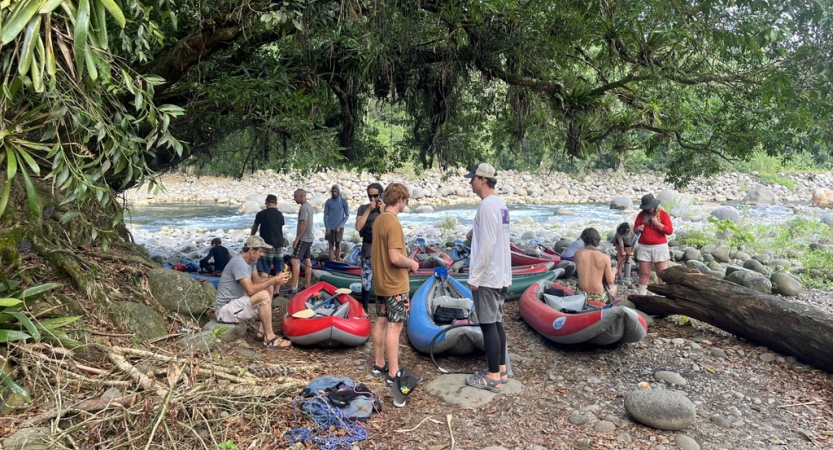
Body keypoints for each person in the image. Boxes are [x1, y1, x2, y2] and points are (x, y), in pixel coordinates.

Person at [463, 163, 511, 393]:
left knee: (488, 324)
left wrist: (475, 276)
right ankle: (501, 369)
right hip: (501, 274)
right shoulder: (500, 205)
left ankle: (492, 376)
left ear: (483, 179)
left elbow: (488, 244)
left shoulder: (486, 206)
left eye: (472, 178)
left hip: (489, 276)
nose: (470, 181)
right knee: (496, 322)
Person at [369, 183, 420, 391]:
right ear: (400, 200)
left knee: (381, 321)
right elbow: (395, 257)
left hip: (380, 283)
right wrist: (411, 263)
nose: (405, 204)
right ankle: (393, 372)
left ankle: (379, 363)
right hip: (395, 284)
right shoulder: (393, 223)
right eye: (405, 200)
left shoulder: (379, 220)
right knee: (395, 326)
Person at [215, 236, 291, 348]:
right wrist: (274, 280)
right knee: (264, 296)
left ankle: (261, 332)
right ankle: (270, 338)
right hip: (224, 310)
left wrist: (275, 279)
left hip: (235, 305)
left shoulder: (250, 261)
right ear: (251, 250)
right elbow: (250, 290)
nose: (261, 254)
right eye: (260, 251)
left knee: (268, 288)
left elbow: (256, 280)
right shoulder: (239, 263)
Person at [634, 193, 673, 295]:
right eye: (647, 207)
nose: (649, 209)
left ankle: (663, 298)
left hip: (659, 247)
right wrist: (637, 229)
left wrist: (657, 224)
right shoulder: (641, 215)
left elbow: (669, 231)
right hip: (644, 247)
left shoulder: (663, 214)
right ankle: (642, 296)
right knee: (644, 273)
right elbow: (635, 228)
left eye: (650, 206)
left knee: (662, 275)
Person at [354, 182, 384, 312]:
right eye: (369, 196)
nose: (372, 199)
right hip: (367, 249)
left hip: (381, 251)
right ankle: (364, 309)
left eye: (375, 196)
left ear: (381, 195)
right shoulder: (363, 208)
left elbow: (390, 228)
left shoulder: (386, 209)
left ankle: (382, 309)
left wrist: (383, 212)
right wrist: (369, 210)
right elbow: (358, 226)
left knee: (382, 282)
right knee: (365, 282)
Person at [573, 228, 617, 303]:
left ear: (583, 239)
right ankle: (605, 308)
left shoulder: (577, 254)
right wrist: (614, 270)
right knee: (614, 287)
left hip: (581, 294)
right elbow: (610, 280)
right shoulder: (605, 257)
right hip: (598, 296)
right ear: (598, 240)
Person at [251, 194, 285, 276]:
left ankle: (265, 288)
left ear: (266, 203)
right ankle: (277, 289)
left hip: (266, 244)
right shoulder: (280, 215)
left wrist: (252, 237)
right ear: (276, 204)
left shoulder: (261, 214)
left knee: (264, 269)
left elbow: (255, 227)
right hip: (279, 243)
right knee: (279, 269)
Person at [289, 189, 315, 295]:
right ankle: (306, 285)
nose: (294, 199)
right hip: (309, 238)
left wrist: (297, 239)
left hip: (304, 238)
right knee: (307, 261)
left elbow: (303, 223)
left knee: (294, 260)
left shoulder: (304, 207)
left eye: (295, 197)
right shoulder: (309, 206)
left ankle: (294, 287)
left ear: (300, 196)